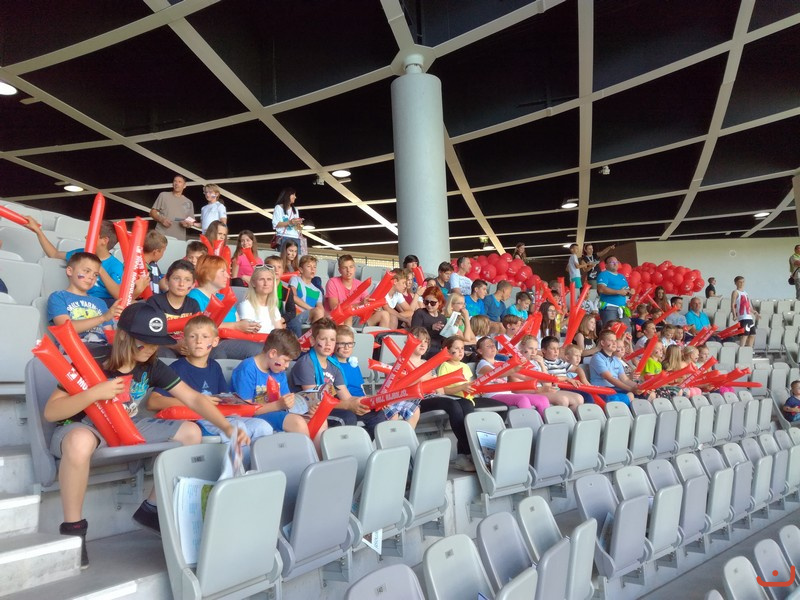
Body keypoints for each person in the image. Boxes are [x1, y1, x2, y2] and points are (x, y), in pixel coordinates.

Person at [45, 303, 248, 567]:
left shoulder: (152, 364)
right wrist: (94, 393)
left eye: (156, 343)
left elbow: (193, 399)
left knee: (190, 432)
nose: (151, 349)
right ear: (123, 336)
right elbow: (51, 411)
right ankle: (73, 530)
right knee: (79, 442)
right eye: (144, 343)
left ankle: (150, 509)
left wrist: (227, 428)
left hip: (128, 423)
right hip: (85, 425)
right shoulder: (91, 358)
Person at [147, 316, 271, 468]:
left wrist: (232, 400)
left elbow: (224, 396)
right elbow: (153, 402)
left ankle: (258, 470)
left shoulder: (215, 367)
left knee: (263, 426)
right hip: (196, 420)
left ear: (215, 341)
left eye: (205, 337)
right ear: (184, 341)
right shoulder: (176, 368)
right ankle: (236, 473)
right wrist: (200, 401)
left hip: (218, 417)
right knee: (237, 426)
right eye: (193, 337)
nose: (199, 341)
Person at [289, 317, 387, 437]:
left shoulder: (334, 366)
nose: (328, 344)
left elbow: (347, 397)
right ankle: (341, 449)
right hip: (310, 410)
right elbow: (314, 400)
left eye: (332, 339)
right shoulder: (306, 363)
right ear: (313, 341)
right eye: (323, 339)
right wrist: (348, 405)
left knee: (376, 414)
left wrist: (372, 401)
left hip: (329, 406)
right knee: (347, 417)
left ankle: (365, 447)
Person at [230, 329, 318, 444]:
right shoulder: (247, 369)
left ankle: (316, 454)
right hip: (252, 418)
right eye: (285, 360)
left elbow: (286, 400)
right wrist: (278, 405)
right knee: (297, 423)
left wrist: (306, 408)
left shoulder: (278, 370)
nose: (287, 366)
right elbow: (246, 410)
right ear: (272, 353)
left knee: (316, 420)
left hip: (276, 412)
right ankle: (306, 454)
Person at [24, 217, 130, 308]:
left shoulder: (116, 266)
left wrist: (99, 268)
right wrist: (38, 231)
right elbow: (54, 254)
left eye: (92, 234)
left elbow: (118, 295)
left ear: (104, 240)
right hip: (77, 299)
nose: (86, 237)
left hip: (101, 305)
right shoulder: (81, 253)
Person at [187, 254, 262, 359]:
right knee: (258, 350)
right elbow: (199, 327)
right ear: (207, 274)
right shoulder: (194, 297)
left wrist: (248, 327)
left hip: (233, 341)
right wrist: (236, 326)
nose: (227, 276)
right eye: (223, 272)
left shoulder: (223, 298)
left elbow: (237, 321)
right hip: (214, 344)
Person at [47, 252, 122, 357]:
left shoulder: (100, 303)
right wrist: (103, 318)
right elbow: (66, 329)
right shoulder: (58, 297)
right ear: (69, 271)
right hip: (74, 351)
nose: (91, 277)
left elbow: (109, 336)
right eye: (87, 271)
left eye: (95, 275)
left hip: (102, 349)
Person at [475, 336, 549, 412]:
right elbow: (496, 373)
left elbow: (524, 377)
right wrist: (513, 369)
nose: (492, 347)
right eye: (488, 346)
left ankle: (543, 419)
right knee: (522, 399)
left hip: (507, 393)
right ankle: (528, 419)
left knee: (542, 399)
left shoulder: (501, 363)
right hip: (492, 395)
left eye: (493, 345)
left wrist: (545, 379)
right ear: (480, 351)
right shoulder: (482, 364)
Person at [146, 259, 202, 357]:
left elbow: (198, 332)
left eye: (187, 280)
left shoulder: (193, 304)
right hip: (162, 347)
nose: (181, 284)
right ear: (167, 281)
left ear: (193, 284)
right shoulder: (155, 302)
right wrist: (175, 345)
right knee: (166, 354)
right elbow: (149, 335)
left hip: (186, 347)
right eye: (176, 278)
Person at [324, 254, 390, 328]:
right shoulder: (332, 282)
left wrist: (373, 307)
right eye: (344, 268)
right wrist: (359, 304)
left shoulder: (359, 284)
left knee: (384, 314)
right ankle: (347, 335)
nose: (348, 270)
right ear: (339, 270)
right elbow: (335, 308)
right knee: (348, 314)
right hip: (338, 319)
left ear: (354, 268)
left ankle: (381, 335)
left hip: (357, 318)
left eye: (351, 267)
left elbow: (366, 302)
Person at [589, 329, 640, 405]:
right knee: (629, 395)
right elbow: (610, 378)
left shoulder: (616, 360)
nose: (614, 343)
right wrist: (631, 389)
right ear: (602, 343)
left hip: (614, 389)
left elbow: (625, 380)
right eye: (611, 340)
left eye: (615, 340)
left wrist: (640, 387)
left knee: (644, 394)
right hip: (602, 390)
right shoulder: (597, 358)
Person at [237, 265, 284, 334]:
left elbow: (280, 334)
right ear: (253, 283)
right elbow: (250, 335)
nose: (266, 283)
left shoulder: (273, 308)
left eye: (269, 279)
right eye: (261, 279)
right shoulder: (246, 306)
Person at [150, 175, 195, 240]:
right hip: (161, 236)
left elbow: (191, 221)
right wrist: (161, 220)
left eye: (179, 182)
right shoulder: (163, 195)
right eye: (175, 181)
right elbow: (152, 212)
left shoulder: (188, 202)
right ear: (172, 184)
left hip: (179, 239)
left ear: (184, 185)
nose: (176, 183)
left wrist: (187, 224)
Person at [411, 285, 448, 356]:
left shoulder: (442, 318)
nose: (429, 305)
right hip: (423, 349)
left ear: (439, 302)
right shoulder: (420, 313)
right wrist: (431, 327)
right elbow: (415, 333)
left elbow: (443, 339)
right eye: (426, 302)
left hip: (438, 348)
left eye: (433, 303)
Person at [596, 256, 631, 329]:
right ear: (606, 265)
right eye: (612, 262)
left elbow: (626, 290)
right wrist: (618, 292)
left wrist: (630, 292)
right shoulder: (604, 274)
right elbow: (601, 289)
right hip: (609, 307)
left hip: (623, 308)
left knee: (627, 331)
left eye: (616, 262)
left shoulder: (622, 276)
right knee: (611, 330)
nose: (615, 264)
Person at [289, 255, 325, 326]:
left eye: (314, 267)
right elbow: (293, 297)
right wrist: (312, 309)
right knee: (318, 311)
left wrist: (315, 311)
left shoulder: (318, 291)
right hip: (296, 314)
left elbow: (320, 308)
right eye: (309, 266)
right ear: (301, 270)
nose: (312, 269)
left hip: (310, 316)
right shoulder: (295, 279)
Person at [272, 187, 303, 253]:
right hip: (284, 237)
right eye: (293, 195)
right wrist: (290, 222)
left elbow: (298, 228)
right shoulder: (278, 207)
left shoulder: (295, 210)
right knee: (284, 256)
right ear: (287, 195)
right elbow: (276, 224)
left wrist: (299, 225)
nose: (295, 197)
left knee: (296, 257)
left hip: (296, 237)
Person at [731, 275, 758, 347]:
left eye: (743, 282)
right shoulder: (735, 292)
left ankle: (749, 349)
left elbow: (748, 306)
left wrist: (755, 313)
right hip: (743, 317)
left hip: (749, 317)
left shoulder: (746, 293)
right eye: (740, 282)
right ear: (736, 283)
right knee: (744, 335)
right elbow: (733, 304)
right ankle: (742, 349)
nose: (742, 283)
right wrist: (734, 315)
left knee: (752, 334)